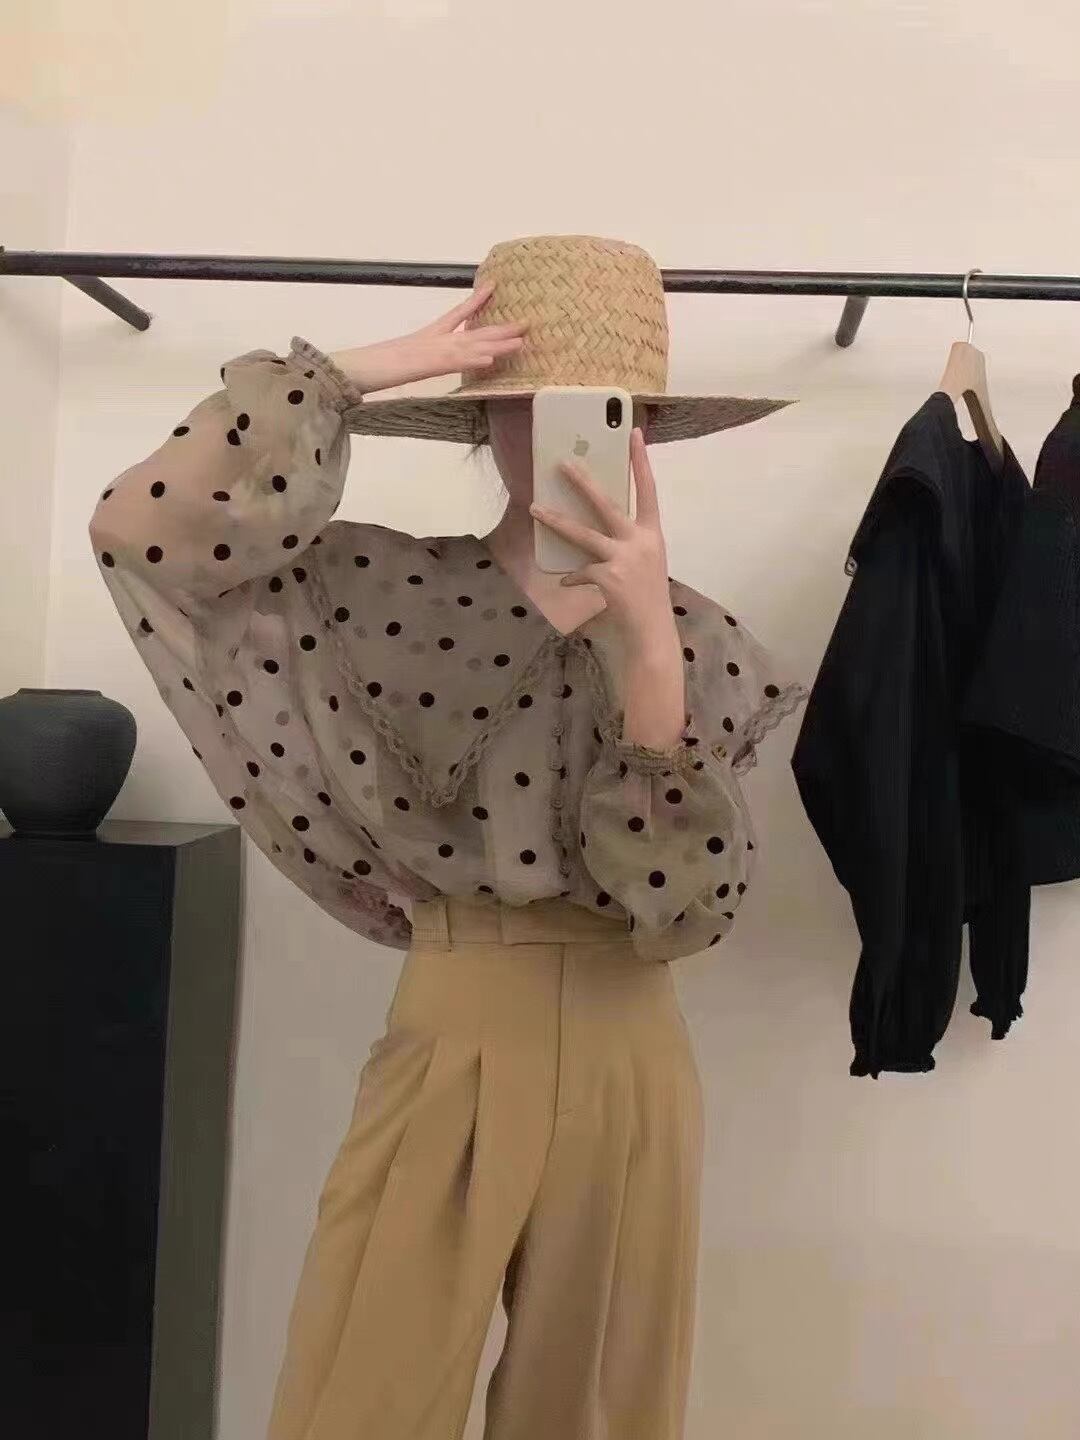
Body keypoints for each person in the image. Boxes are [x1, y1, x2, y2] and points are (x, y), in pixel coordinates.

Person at [89, 234, 803, 1440]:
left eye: (600, 407)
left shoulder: (701, 639)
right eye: (526, 403)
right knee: (360, 1392)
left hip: (632, 1046)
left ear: (642, 431)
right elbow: (138, 535)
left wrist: (649, 657)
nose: (557, 436)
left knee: (598, 1408)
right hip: (453, 1021)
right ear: (480, 416)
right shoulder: (375, 590)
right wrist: (347, 378)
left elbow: (690, 913)